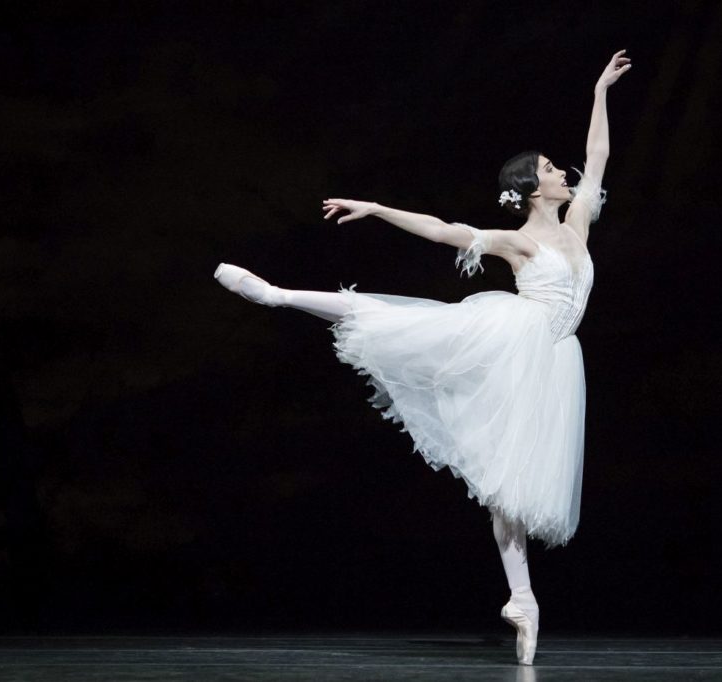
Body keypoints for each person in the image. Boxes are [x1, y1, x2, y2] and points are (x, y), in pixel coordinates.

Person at [214, 49, 631, 665]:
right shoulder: (518, 241)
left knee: (508, 490)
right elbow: (442, 230)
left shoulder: (580, 225)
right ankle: (277, 295)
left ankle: (523, 602)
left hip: (555, 360)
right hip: (513, 339)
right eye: (548, 167)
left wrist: (600, 91)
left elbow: (597, 154)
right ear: (529, 187)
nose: (561, 170)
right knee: (396, 321)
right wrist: (377, 208)